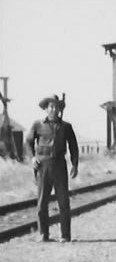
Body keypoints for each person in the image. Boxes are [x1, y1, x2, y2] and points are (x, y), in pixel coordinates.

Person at [26, 94, 79, 243]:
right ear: (46, 108)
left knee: (63, 202)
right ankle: (43, 234)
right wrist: (32, 158)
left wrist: (75, 164)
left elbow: (73, 147)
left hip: (59, 166)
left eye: (56, 107)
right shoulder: (37, 125)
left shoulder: (66, 127)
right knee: (42, 202)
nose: (54, 109)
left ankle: (65, 235)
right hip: (42, 166)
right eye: (51, 106)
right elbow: (28, 142)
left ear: (60, 109)